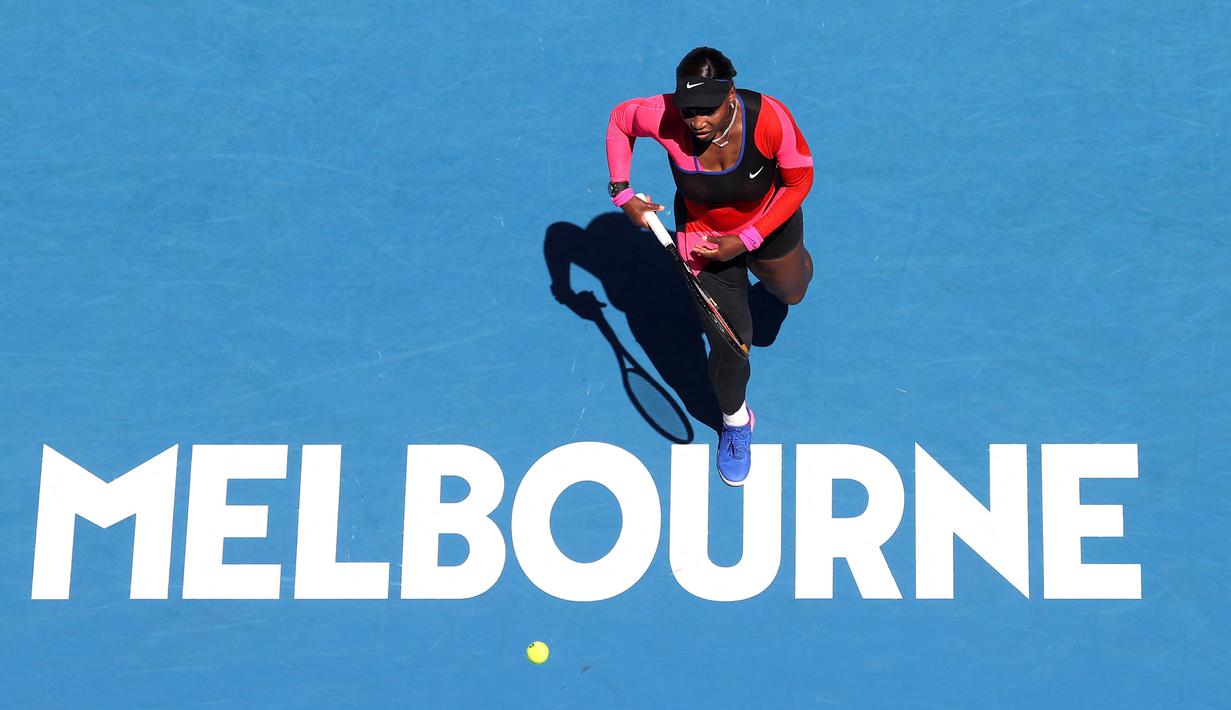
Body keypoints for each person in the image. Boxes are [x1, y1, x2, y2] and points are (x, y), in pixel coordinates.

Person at [605, 46, 815, 486]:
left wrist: (747, 239)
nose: (696, 121)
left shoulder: (770, 118)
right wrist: (623, 194)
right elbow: (620, 122)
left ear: (731, 96)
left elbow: (799, 181)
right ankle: (736, 424)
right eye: (688, 110)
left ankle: (773, 276)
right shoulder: (663, 115)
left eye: (706, 111)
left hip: (767, 224)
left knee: (792, 290)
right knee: (732, 346)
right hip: (702, 238)